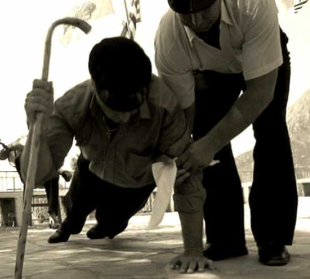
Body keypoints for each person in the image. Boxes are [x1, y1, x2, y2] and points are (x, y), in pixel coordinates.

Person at [21, 37, 213, 274]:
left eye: (133, 106)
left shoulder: (165, 105)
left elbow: (187, 173)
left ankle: (107, 225)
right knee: (74, 212)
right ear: (96, 88)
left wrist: (193, 250)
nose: (125, 117)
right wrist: (35, 128)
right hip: (90, 170)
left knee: (111, 223)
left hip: (136, 183)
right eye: (116, 107)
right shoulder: (72, 104)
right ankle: (68, 227)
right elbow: (38, 176)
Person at [154, 0, 298, 265]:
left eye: (204, 10)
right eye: (186, 14)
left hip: (264, 61)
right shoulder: (168, 38)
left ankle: (272, 237)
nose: (196, 22)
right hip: (210, 73)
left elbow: (260, 94)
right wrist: (187, 152)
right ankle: (225, 238)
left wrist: (209, 144)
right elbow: (186, 116)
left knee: (271, 132)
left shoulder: (254, 5)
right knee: (204, 135)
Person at [0, 139, 73, 229]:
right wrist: (10, 147)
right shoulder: (18, 141)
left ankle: (53, 216)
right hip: (27, 176)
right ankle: (60, 172)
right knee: (19, 157)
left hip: (43, 174)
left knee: (53, 177)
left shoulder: (40, 139)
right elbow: (1, 156)